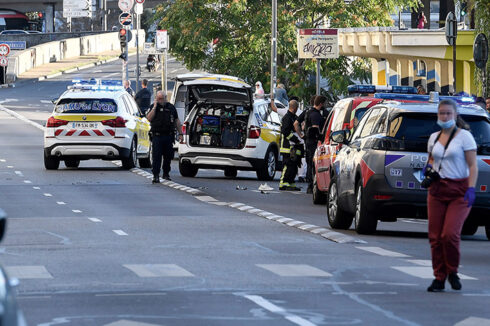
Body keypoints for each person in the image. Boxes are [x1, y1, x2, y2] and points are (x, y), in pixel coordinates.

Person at [424, 99, 478, 292]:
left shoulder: (465, 137)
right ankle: (439, 277)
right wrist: (428, 170)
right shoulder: (434, 137)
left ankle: (452, 271)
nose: (445, 116)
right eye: (441, 113)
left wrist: (471, 188)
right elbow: (431, 160)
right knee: (435, 236)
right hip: (437, 190)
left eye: (448, 113)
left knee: (450, 235)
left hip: (459, 191)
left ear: (455, 115)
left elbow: (472, 166)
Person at [294, 95, 328, 194]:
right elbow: (315, 129)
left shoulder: (307, 112)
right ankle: (312, 185)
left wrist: (301, 135)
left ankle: (310, 185)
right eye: (324, 103)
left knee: (309, 162)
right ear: (321, 104)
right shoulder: (317, 114)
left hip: (308, 141)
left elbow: (296, 123)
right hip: (315, 142)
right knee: (315, 164)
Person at [146, 91, 183, 183]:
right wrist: (154, 107)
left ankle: (166, 173)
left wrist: (181, 133)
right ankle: (155, 175)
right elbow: (149, 118)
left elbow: (176, 121)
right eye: (158, 98)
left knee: (168, 156)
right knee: (156, 157)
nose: (160, 100)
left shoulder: (171, 107)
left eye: (161, 98)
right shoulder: (153, 107)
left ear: (166, 98)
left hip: (168, 136)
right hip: (157, 136)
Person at [279, 100, 302, 191]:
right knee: (287, 165)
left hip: (293, 146)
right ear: (295, 108)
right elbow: (285, 132)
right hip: (287, 146)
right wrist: (295, 139)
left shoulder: (293, 117)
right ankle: (283, 183)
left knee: (294, 166)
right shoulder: (287, 118)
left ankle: (291, 183)